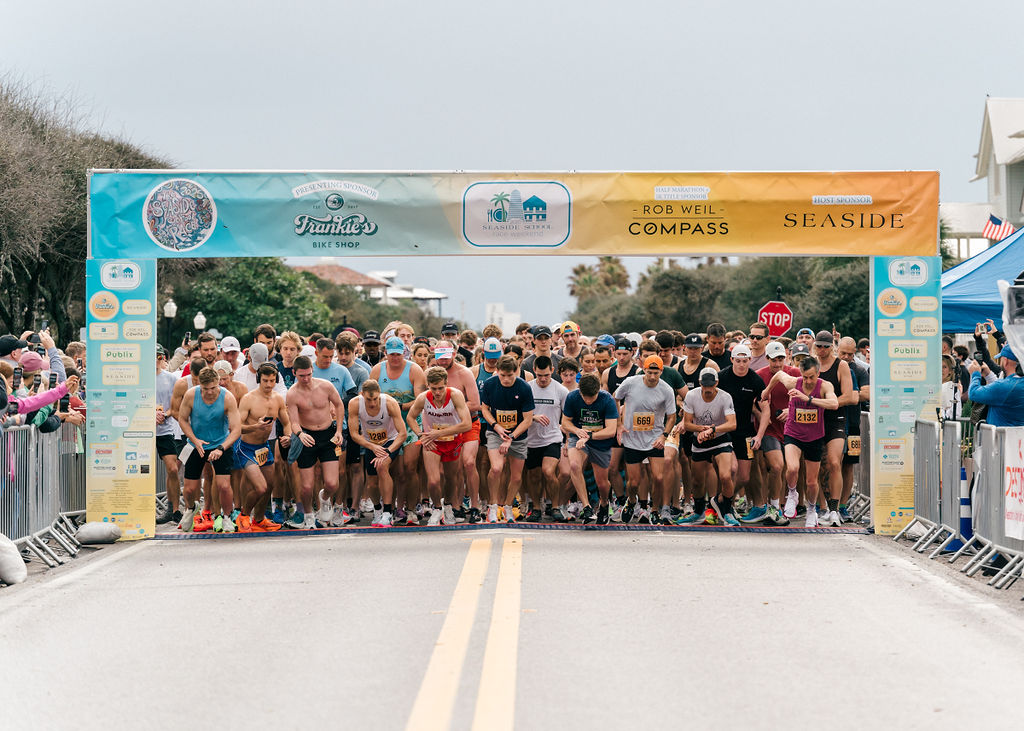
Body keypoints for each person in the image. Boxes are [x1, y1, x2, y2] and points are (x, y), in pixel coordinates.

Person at [762, 356, 839, 527]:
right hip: (794, 433)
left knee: (812, 482)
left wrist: (808, 399)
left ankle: (812, 509)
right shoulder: (793, 382)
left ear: (818, 373)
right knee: (792, 468)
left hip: (814, 436)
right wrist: (767, 390)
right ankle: (792, 493)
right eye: (805, 377)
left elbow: (834, 404)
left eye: (812, 377)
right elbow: (778, 375)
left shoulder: (825, 386)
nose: (808, 381)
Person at [178, 367, 242, 533]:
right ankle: (191, 509)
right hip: (196, 444)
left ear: (218, 383)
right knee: (190, 488)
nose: (209, 392)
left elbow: (236, 429)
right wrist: (194, 440)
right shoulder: (192, 395)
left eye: (213, 388)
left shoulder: (227, 397)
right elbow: (182, 419)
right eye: (205, 389)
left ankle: (227, 516)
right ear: (199, 385)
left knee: (223, 485)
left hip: (220, 443)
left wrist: (221, 448)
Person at [614, 355, 677, 525]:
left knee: (658, 477)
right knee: (633, 482)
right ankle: (632, 501)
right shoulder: (631, 382)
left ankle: (654, 510)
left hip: (654, 438)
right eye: (649, 372)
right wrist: (619, 424)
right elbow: (615, 398)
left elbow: (672, 416)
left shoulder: (666, 390)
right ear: (644, 370)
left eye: (656, 373)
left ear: (661, 372)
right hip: (632, 437)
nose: (652, 377)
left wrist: (664, 436)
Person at [407, 366, 473, 525]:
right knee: (434, 480)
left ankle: (448, 506)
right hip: (432, 442)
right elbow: (410, 417)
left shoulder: (455, 396)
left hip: (452, 440)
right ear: (428, 385)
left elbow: (467, 425)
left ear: (446, 383)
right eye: (434, 388)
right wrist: (421, 436)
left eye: (441, 388)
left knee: (451, 478)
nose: (437, 392)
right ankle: (437, 508)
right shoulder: (423, 398)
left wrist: (439, 433)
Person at [286, 355, 345, 529]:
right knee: (306, 486)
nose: (305, 379)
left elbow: (339, 405)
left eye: (308, 375)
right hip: (307, 436)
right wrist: (299, 434)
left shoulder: (325, 386)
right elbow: (294, 421)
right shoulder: (292, 394)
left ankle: (325, 498)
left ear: (312, 371)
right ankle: (308, 515)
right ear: (294, 373)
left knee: (332, 483)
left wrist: (339, 430)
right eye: (301, 376)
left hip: (328, 435)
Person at [677, 368, 738, 525]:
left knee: (726, 475)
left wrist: (713, 430)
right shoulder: (691, 396)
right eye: (705, 386)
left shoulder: (725, 397)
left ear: (716, 383)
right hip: (700, 440)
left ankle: (728, 510)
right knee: (697, 481)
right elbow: (688, 423)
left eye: (711, 386)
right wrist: (701, 430)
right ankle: (698, 512)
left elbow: (732, 424)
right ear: (699, 383)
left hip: (720, 438)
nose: (708, 389)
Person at [235, 363, 291, 532]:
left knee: (270, 485)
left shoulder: (278, 399)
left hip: (264, 447)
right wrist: (255, 427)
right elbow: (237, 426)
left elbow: (286, 422)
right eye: (265, 380)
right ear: (259, 379)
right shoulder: (249, 399)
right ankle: (244, 515)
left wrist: (287, 436)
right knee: (260, 487)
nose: (268, 384)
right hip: (246, 447)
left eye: (272, 381)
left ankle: (259, 519)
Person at [479, 354, 535, 523]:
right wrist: (496, 425)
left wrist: (511, 436)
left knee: (516, 476)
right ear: (497, 372)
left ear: (516, 372)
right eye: (502, 375)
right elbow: (485, 409)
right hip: (496, 432)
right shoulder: (490, 384)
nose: (506, 379)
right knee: (496, 468)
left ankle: (509, 507)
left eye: (510, 375)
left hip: (517, 434)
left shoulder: (524, 388)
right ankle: (493, 506)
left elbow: (528, 419)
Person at [348, 379, 407, 527]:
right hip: (371, 443)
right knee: (372, 483)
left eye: (375, 399)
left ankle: (388, 512)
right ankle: (378, 508)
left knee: (382, 467)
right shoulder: (355, 404)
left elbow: (402, 434)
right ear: (362, 395)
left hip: (390, 441)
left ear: (380, 394)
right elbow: (354, 434)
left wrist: (388, 451)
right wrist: (371, 446)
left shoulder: (390, 403)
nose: (373, 403)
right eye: (369, 399)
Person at [560, 372, 618, 524]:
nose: (588, 401)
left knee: (602, 483)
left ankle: (604, 504)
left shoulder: (607, 400)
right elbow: (565, 422)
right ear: (580, 391)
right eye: (585, 397)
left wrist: (589, 436)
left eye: (591, 397)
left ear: (598, 391)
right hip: (578, 437)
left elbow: (611, 430)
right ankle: (586, 506)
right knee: (574, 465)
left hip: (600, 441)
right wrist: (576, 431)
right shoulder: (572, 397)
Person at [523, 356, 569, 523]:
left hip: (552, 438)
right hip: (531, 439)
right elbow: (520, 412)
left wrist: (568, 437)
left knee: (548, 472)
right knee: (534, 475)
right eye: (539, 375)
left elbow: (568, 416)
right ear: (534, 371)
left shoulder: (561, 390)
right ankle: (536, 507)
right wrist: (533, 417)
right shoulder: (527, 388)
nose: (542, 379)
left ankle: (554, 507)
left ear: (552, 371)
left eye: (546, 375)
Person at [155, 346, 183, 525]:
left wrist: (165, 414)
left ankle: (174, 509)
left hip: (165, 428)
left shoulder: (171, 378)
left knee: (173, 469)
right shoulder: (139, 379)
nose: (157, 360)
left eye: (159, 356)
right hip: (142, 429)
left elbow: (175, 406)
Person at [968, 343, 1024, 426]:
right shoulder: (1015, 384)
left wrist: (975, 374)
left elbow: (973, 393)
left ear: (1005, 361)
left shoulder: (1005, 386)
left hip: (1001, 437)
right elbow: (1001, 394)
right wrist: (988, 375)